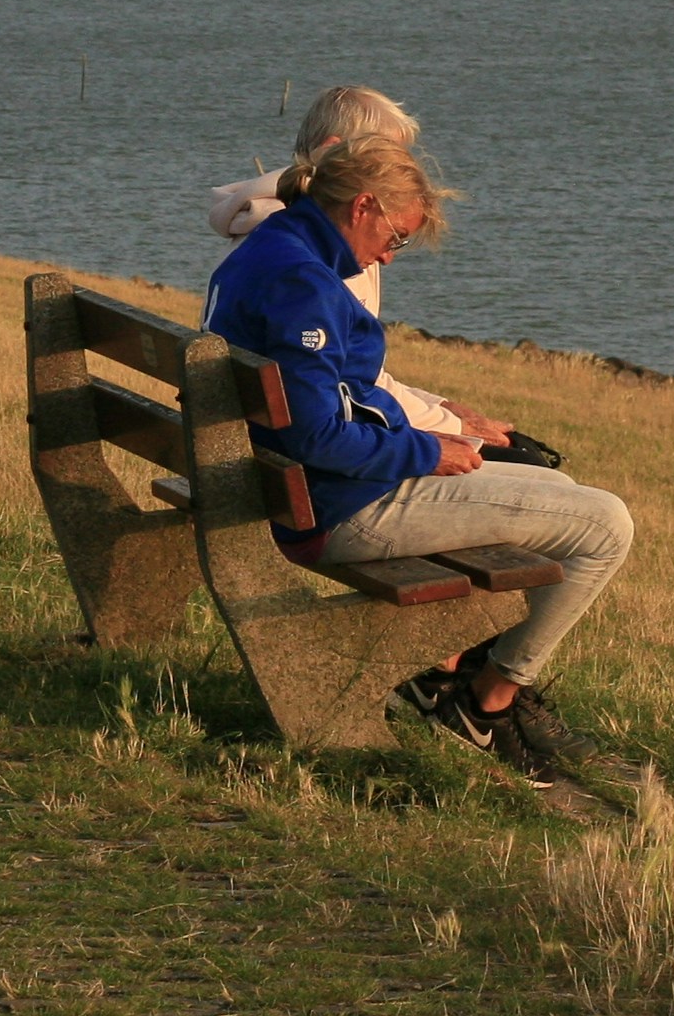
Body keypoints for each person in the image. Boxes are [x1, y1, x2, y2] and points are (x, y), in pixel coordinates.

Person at [202, 129, 635, 770]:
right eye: (396, 237)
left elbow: (326, 409)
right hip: (334, 508)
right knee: (606, 525)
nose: (390, 255)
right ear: (363, 206)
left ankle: (446, 675)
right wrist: (426, 453)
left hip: (297, 490)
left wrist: (428, 436)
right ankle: (487, 705)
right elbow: (316, 436)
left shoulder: (273, 249)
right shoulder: (302, 284)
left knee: (560, 492)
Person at [211, 87, 523, 457]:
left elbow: (350, 380)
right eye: (386, 159)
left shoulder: (277, 236)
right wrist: (440, 440)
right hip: (323, 468)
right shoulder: (308, 272)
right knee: (530, 468)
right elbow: (327, 419)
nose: (405, 175)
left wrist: (444, 411)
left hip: (281, 451)